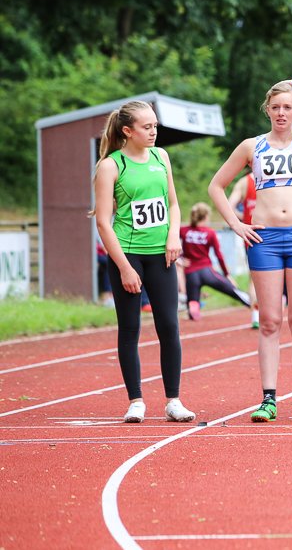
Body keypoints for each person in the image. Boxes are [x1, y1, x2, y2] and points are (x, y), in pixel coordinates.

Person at [208, 77, 292, 423]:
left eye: (288, 107)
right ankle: (268, 399)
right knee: (270, 321)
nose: (281, 113)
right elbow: (216, 186)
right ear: (267, 110)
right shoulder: (252, 146)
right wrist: (236, 224)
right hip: (265, 240)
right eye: (275, 107)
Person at [91, 100, 196, 424]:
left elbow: (173, 204)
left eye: (155, 126)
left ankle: (173, 401)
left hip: (161, 254)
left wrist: (173, 236)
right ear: (127, 131)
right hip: (128, 254)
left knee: (169, 326)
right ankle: (135, 401)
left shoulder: (161, 156)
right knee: (130, 328)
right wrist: (124, 267)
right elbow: (103, 222)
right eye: (147, 127)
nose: (153, 132)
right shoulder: (111, 166)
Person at [180, 202, 251, 320]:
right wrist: (227, 275)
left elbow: (171, 245)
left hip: (191, 273)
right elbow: (219, 255)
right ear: (206, 217)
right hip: (207, 272)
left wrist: (180, 259)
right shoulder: (210, 232)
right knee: (233, 290)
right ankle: (253, 304)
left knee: (193, 302)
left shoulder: (182, 230)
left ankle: (193, 307)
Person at [228, 172, 259, 328]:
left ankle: (256, 317)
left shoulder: (244, 182)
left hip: (251, 234)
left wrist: (242, 217)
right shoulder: (276, 174)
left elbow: (229, 205)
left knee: (255, 279)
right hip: (273, 231)